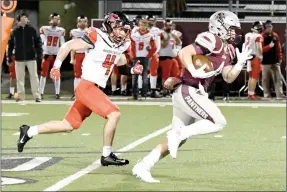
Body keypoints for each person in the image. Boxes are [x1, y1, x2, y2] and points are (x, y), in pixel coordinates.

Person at [132, 10, 252, 183]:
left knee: (178, 139)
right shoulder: (213, 39)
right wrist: (193, 69)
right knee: (218, 122)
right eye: (231, 28)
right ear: (220, 26)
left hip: (192, 91)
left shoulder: (230, 49)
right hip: (189, 89)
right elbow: (184, 53)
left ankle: (143, 165)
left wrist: (240, 64)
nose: (234, 32)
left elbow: (228, 77)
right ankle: (179, 134)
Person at [17, 11, 143, 166]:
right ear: (110, 26)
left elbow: (120, 63)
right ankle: (107, 154)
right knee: (114, 114)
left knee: (68, 125)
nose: (122, 33)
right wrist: (56, 66)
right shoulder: (96, 36)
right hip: (87, 86)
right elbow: (68, 45)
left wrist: (132, 70)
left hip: (94, 89)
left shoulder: (121, 44)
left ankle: (29, 131)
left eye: (124, 30)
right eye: (119, 28)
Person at [7, 10, 42, 102]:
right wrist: (9, 57)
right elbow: (10, 45)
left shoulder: (32, 30)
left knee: (34, 76)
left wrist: (39, 54)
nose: (24, 19)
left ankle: (37, 96)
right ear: (19, 20)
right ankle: (20, 96)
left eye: (26, 18)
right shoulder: (14, 31)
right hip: (19, 58)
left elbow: (38, 42)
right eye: (22, 18)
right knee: (19, 78)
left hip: (31, 57)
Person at [39, 13, 66, 100]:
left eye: (58, 19)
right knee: (43, 74)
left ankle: (57, 93)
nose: (56, 20)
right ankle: (41, 92)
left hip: (56, 55)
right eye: (55, 18)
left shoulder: (61, 30)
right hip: (47, 54)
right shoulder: (44, 29)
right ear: (50, 19)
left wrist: (63, 52)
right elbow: (42, 41)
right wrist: (43, 50)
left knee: (56, 74)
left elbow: (62, 43)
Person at [130, 18, 157, 99]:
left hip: (145, 58)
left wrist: (149, 55)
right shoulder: (134, 35)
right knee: (135, 77)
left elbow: (154, 47)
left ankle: (143, 95)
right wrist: (133, 56)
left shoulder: (150, 36)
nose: (142, 26)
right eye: (141, 25)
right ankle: (135, 95)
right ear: (139, 25)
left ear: (147, 26)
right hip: (136, 57)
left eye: (144, 25)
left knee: (144, 76)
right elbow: (131, 45)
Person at [261, 20, 284, 99]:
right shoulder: (262, 36)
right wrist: (269, 46)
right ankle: (266, 94)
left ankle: (279, 95)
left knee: (278, 78)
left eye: (270, 26)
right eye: (267, 27)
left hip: (275, 61)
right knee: (265, 79)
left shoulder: (275, 35)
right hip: (265, 62)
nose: (269, 28)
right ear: (265, 28)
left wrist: (280, 57)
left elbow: (279, 47)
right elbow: (260, 49)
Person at [159, 20, 181, 96]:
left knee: (175, 74)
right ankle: (164, 90)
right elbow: (163, 44)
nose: (169, 27)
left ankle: (171, 89)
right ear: (164, 26)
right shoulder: (161, 33)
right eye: (167, 25)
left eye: (170, 25)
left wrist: (171, 34)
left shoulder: (172, 34)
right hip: (164, 57)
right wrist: (168, 36)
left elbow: (178, 42)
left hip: (172, 58)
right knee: (166, 75)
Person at [69, 15, 88, 100]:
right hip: (78, 54)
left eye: (84, 21)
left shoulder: (89, 31)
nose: (82, 23)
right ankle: (76, 93)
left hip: (87, 55)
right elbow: (72, 45)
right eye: (80, 21)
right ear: (77, 22)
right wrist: (72, 58)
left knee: (87, 75)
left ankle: (86, 93)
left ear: (87, 22)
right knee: (77, 75)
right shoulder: (74, 32)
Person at [244, 21, 264, 100]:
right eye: (259, 26)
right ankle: (251, 94)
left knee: (251, 77)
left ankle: (250, 94)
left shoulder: (247, 35)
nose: (261, 27)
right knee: (254, 77)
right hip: (255, 57)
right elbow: (259, 48)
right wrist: (261, 55)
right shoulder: (258, 36)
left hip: (248, 57)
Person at [146, 15, 162, 98]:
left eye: (153, 20)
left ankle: (152, 90)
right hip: (143, 53)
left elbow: (158, 42)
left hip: (154, 53)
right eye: (150, 20)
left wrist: (155, 52)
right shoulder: (141, 29)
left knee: (153, 71)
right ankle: (141, 90)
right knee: (141, 71)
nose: (151, 22)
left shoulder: (157, 30)